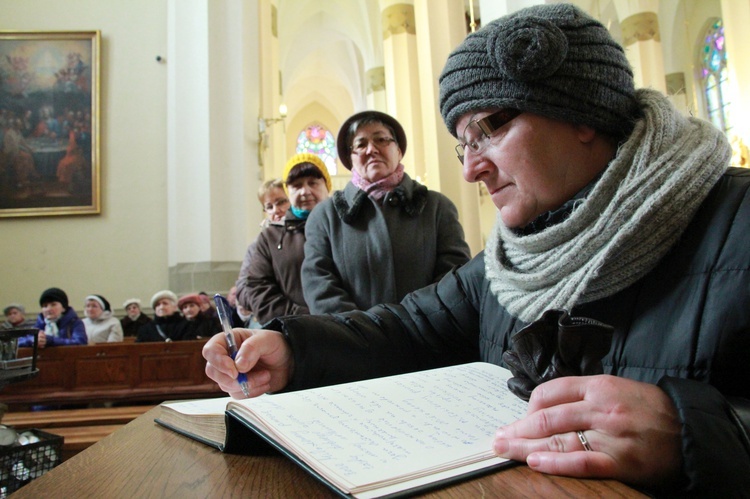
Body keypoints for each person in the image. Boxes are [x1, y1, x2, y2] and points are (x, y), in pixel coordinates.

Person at [203, 4, 750, 496]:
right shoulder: (503, 263)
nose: (470, 169)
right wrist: (294, 350)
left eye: (487, 131)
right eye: (463, 144)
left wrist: (694, 432)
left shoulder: (737, 221)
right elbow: (409, 328)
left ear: (583, 112)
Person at [302, 111, 471, 314]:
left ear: (398, 151)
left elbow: (454, 278)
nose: (371, 149)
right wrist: (362, 334)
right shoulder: (324, 217)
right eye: (361, 144)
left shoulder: (437, 208)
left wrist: (416, 326)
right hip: (353, 342)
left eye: (381, 139)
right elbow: (320, 286)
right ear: (350, 158)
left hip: (428, 339)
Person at [242, 153, 331, 324]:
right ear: (288, 192)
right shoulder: (270, 238)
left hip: (345, 331)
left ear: (327, 186)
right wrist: (305, 318)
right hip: (293, 332)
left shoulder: (347, 227)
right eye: (297, 185)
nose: (305, 191)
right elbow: (258, 288)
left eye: (313, 182)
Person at [235, 178, 290, 326]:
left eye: (281, 202)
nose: (276, 210)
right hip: (268, 315)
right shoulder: (257, 245)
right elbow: (242, 287)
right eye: (269, 207)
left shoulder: (309, 231)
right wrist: (262, 301)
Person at [19, 287, 87, 348]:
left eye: (53, 305)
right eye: (45, 306)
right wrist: (32, 341)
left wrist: (51, 340)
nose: (48, 309)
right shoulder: (39, 324)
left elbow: (80, 342)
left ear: (63, 308)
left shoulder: (74, 322)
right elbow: (18, 342)